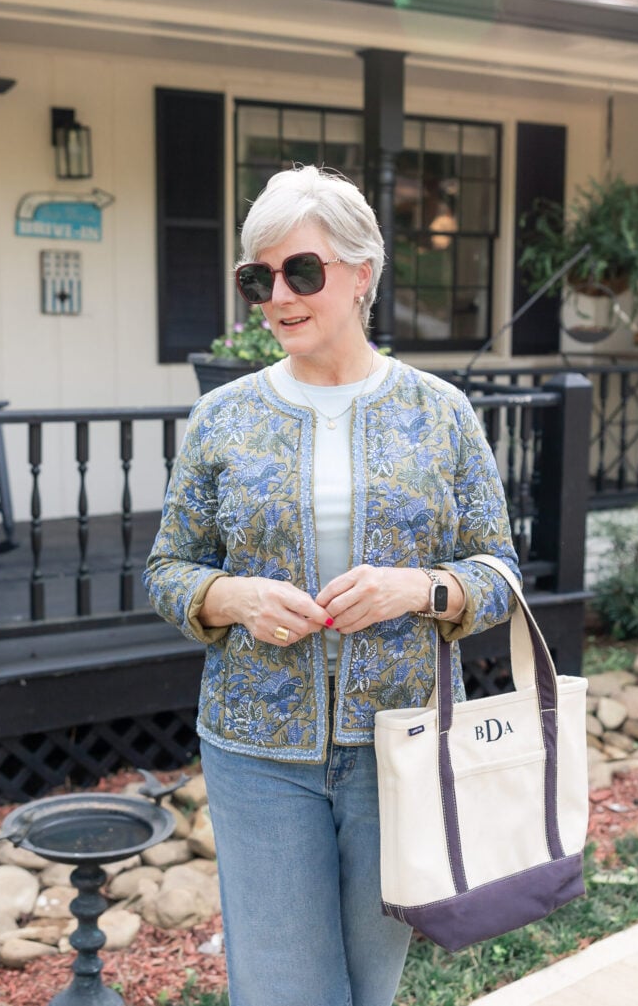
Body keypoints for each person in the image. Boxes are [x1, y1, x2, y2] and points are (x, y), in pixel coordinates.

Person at [143, 164, 520, 1006]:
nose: (278, 294)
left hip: (402, 746)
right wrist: (228, 598)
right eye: (258, 277)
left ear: (360, 274)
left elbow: (498, 571)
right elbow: (167, 570)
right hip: (256, 752)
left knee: (368, 986)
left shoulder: (441, 412)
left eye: (300, 270)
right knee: (284, 991)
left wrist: (418, 589)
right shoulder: (222, 417)